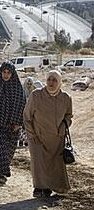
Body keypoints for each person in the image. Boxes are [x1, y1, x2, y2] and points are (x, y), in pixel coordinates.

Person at [23, 70, 72, 198]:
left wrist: (63, 127)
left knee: (55, 164)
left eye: (54, 80)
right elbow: (27, 116)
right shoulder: (36, 95)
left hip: (56, 138)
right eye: (49, 79)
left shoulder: (65, 98)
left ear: (59, 82)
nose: (51, 83)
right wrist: (31, 134)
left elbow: (68, 116)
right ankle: (39, 187)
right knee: (39, 163)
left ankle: (51, 187)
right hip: (37, 137)